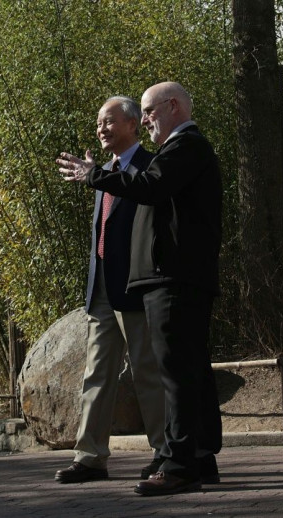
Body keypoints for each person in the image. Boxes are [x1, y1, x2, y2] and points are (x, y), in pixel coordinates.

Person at [57, 81, 223, 496]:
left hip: (160, 281)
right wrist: (98, 175)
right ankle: (100, 456)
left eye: (148, 112)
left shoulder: (166, 158)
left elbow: (153, 196)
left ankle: (176, 457)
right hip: (117, 288)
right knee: (116, 374)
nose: (101, 128)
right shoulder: (125, 166)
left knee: (170, 373)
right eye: (97, 122)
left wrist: (97, 175)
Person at [54, 96, 166, 484]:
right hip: (100, 289)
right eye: (99, 123)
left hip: (136, 288)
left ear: (133, 125)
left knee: (147, 371)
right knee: (95, 374)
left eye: (109, 121)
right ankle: (89, 457)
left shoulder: (151, 167)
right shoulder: (100, 170)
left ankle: (165, 452)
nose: (102, 128)